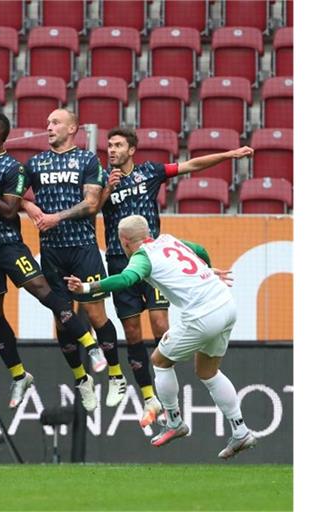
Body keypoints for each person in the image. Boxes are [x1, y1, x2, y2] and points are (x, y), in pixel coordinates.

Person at [0, 111, 108, 439]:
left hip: (9, 246)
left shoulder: (13, 167)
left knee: (44, 291)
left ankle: (93, 347)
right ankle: (19, 376)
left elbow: (10, 207)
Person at [66, 215, 257, 459]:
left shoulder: (142, 257)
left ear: (124, 242)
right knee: (208, 372)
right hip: (226, 305)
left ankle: (175, 422)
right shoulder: (168, 240)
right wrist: (207, 270)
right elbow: (200, 249)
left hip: (203, 314)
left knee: (159, 361)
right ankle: (241, 432)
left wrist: (85, 288)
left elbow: (126, 279)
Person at [100, 127, 254, 427]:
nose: (112, 149)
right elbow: (90, 207)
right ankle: (149, 398)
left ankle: (168, 373)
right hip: (121, 262)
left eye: (118, 145)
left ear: (132, 149)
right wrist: (106, 189)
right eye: (109, 145)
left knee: (160, 323)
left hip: (155, 262)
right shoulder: (102, 180)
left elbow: (191, 165)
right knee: (132, 331)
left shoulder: (150, 172)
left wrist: (229, 155)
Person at [22, 108, 126, 410]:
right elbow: (13, 194)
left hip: (83, 248)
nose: (49, 126)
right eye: (48, 122)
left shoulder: (87, 160)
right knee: (62, 319)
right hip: (52, 251)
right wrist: (30, 207)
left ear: (73, 129)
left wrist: (56, 217)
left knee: (95, 315)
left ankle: (116, 375)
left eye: (55, 122)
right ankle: (82, 380)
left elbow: (92, 204)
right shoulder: (36, 163)